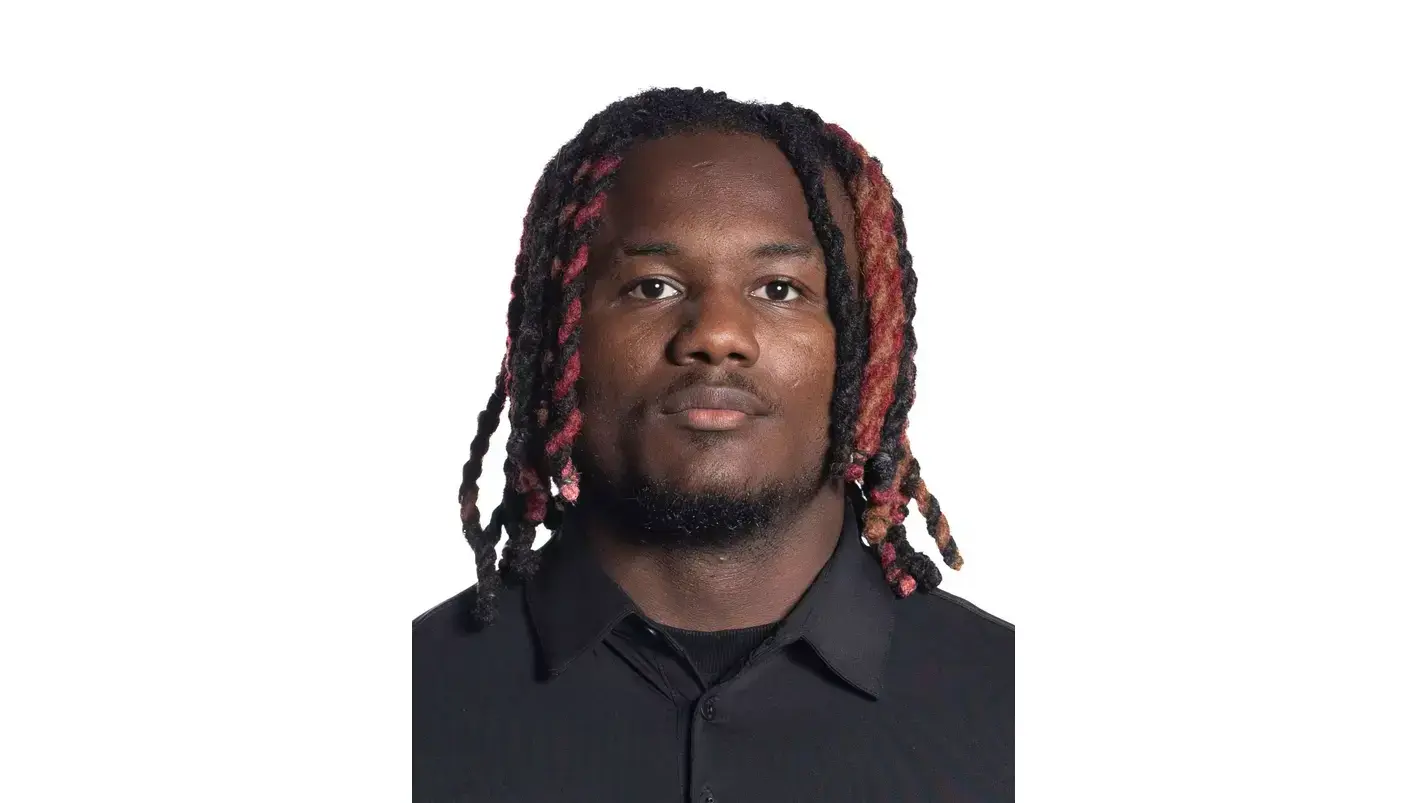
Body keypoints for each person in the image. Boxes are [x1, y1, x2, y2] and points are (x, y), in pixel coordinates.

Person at [412, 87, 1013, 802]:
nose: (717, 335)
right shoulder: (410, 699)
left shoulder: (1016, 711)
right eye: (652, 287)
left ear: (869, 349)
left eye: (780, 289)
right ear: (557, 339)